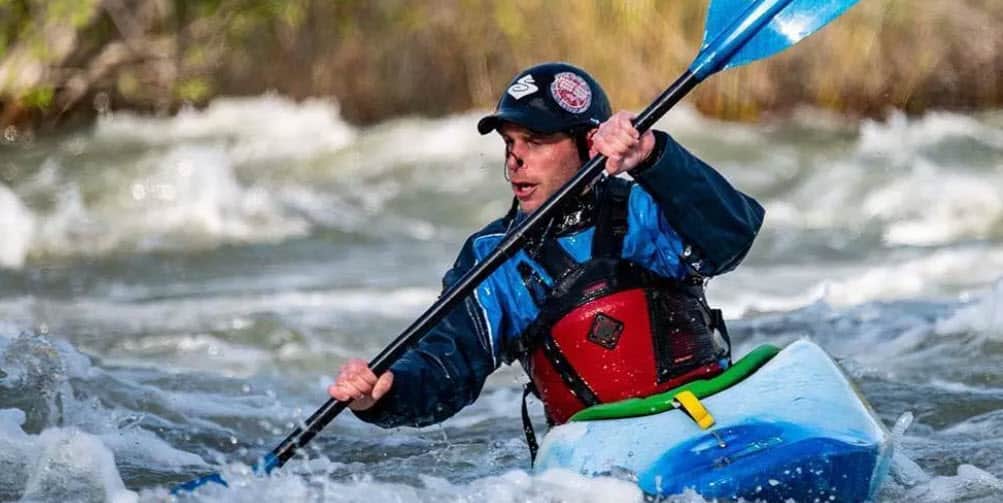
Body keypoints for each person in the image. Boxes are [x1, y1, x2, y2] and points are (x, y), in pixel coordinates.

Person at [329, 62, 764, 447]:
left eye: (535, 141)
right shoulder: (492, 259)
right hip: (597, 455)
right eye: (509, 142)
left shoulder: (646, 206)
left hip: (706, 413)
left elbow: (732, 237)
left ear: (590, 143)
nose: (515, 159)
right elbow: (450, 364)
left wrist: (654, 155)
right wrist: (387, 393)